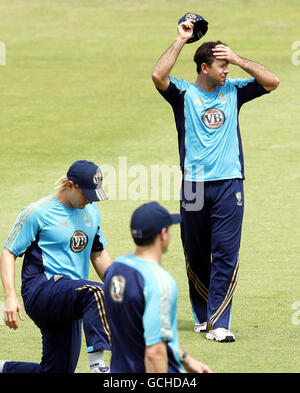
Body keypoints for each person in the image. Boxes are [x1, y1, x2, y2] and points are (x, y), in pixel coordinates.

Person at [151, 19, 280, 342]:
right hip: (193, 185)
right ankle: (202, 314)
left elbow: (272, 81)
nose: (226, 71)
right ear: (204, 67)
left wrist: (238, 59)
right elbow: (158, 75)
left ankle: (219, 322)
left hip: (229, 184)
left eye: (228, 66)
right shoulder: (182, 93)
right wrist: (181, 39)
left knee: (225, 252)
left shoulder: (234, 90)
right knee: (195, 252)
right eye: (221, 66)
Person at [0, 160, 112, 373]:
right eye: (87, 193)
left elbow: (98, 253)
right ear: (71, 185)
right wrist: (10, 296)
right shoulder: (37, 212)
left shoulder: (92, 212)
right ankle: (98, 366)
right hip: (42, 290)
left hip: (71, 298)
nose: (90, 200)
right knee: (96, 292)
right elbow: (8, 252)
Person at [104, 201, 212, 373]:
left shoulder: (116, 270)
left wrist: (185, 358)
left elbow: (140, 332)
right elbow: (154, 353)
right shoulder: (159, 282)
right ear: (163, 234)